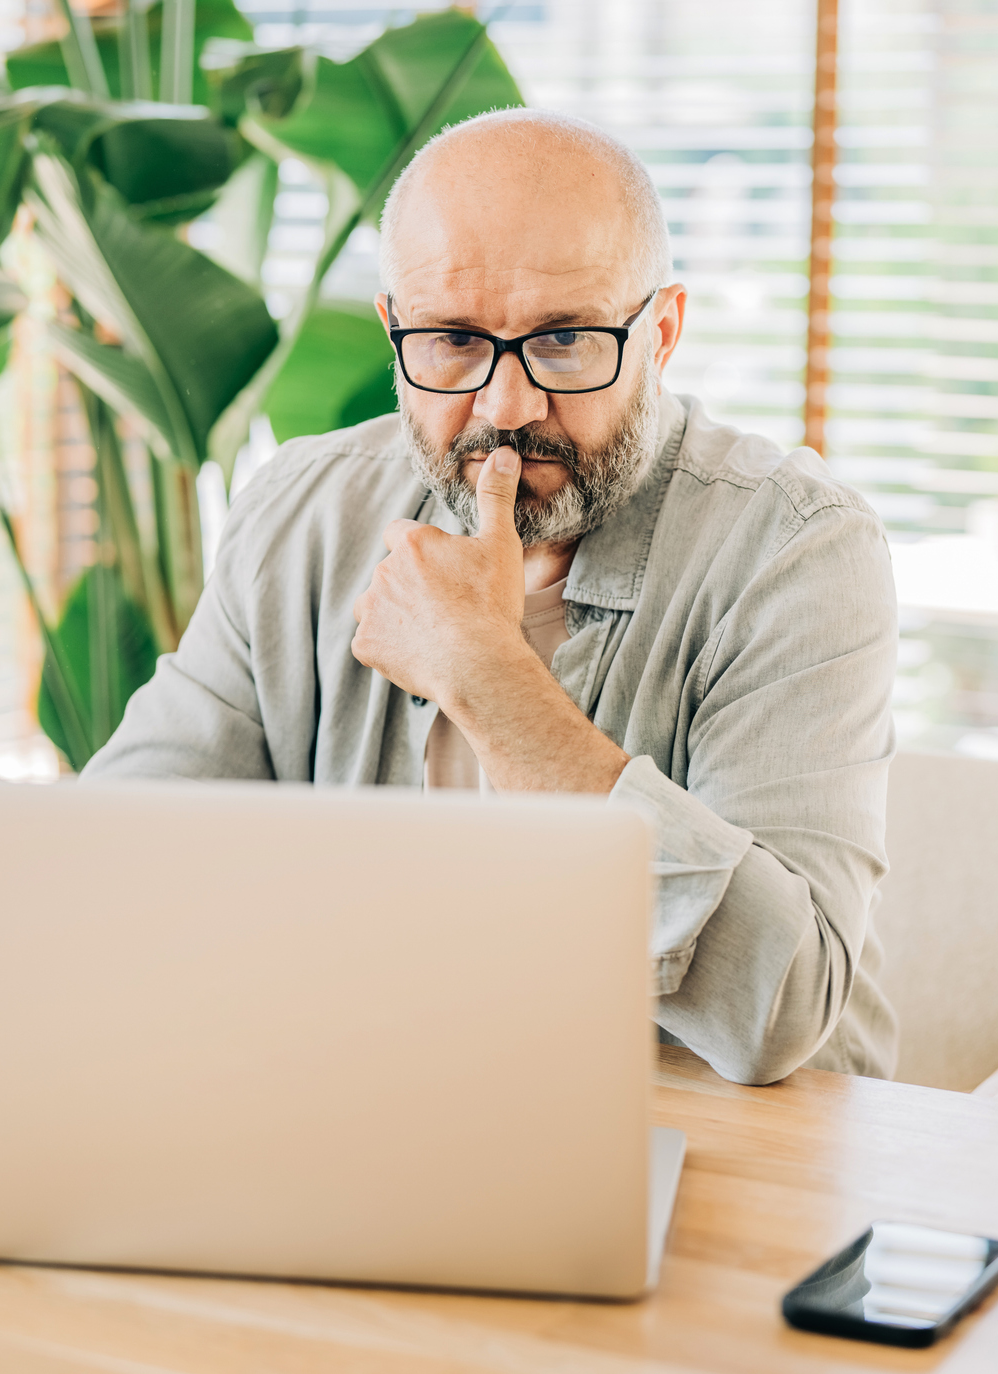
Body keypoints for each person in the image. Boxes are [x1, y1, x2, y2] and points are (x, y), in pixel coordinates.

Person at [84, 109, 898, 1084]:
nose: (505, 406)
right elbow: (118, 862)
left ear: (662, 332)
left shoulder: (798, 551)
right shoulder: (303, 512)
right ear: (395, 331)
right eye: (454, 341)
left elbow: (782, 1008)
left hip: (720, 1153)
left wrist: (490, 679)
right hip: (369, 1113)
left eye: (563, 340)